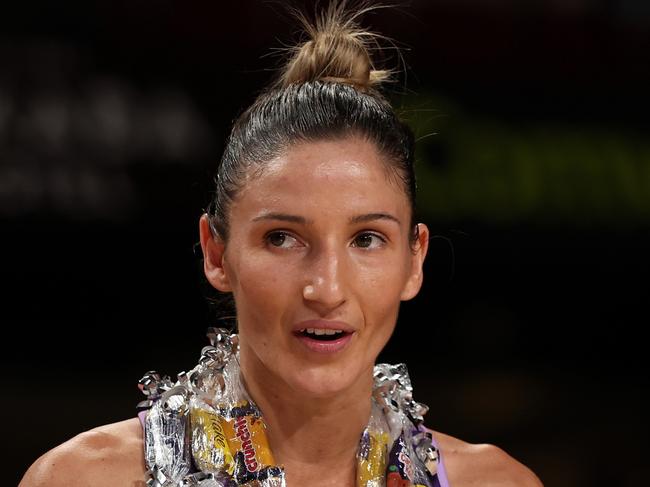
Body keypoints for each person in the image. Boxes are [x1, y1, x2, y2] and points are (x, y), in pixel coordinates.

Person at [19, 2, 543, 486]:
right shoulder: (84, 478)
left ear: (414, 258)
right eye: (283, 238)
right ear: (216, 253)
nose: (327, 288)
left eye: (366, 238)